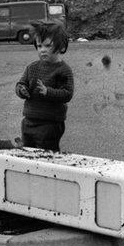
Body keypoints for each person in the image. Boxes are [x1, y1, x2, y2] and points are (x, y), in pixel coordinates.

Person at [15, 21, 74, 152]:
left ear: (60, 46)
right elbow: (21, 83)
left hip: (50, 123)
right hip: (28, 121)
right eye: (39, 46)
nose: (42, 50)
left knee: (47, 157)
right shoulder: (32, 67)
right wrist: (21, 90)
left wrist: (48, 92)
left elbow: (67, 93)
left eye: (48, 46)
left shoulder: (63, 70)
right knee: (27, 154)